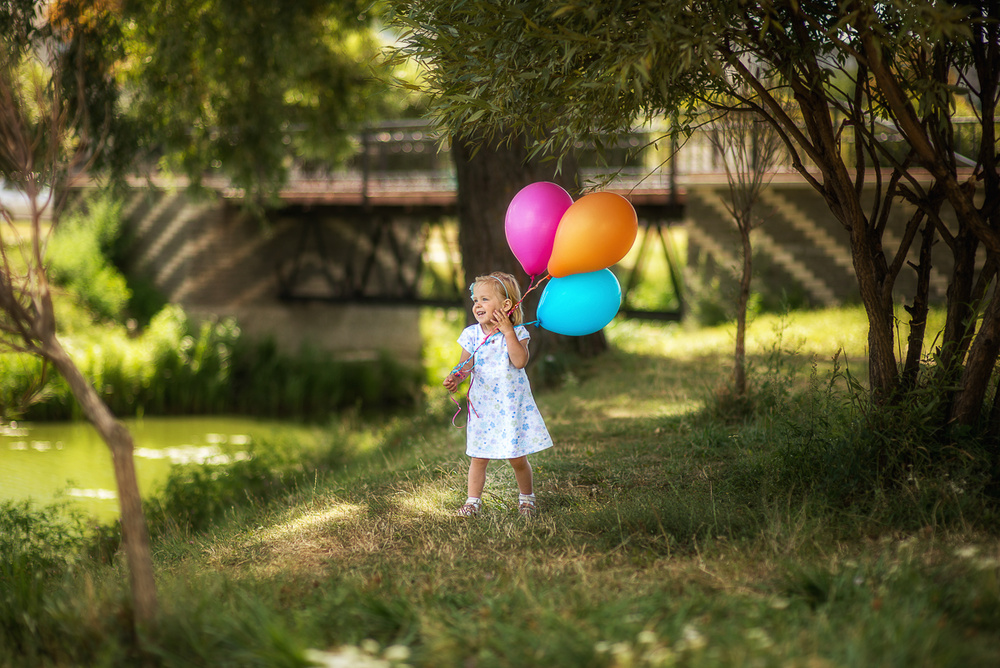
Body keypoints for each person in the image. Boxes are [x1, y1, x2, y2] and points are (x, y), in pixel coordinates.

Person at [443, 271, 553, 518]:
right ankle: (472, 502)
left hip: (510, 406)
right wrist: (456, 378)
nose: (477, 305)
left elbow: (519, 361)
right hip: (483, 408)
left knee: (517, 458)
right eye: (475, 300)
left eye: (484, 299)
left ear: (505, 305)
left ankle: (527, 499)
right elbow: (465, 366)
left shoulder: (517, 333)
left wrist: (508, 332)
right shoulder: (472, 334)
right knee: (478, 457)